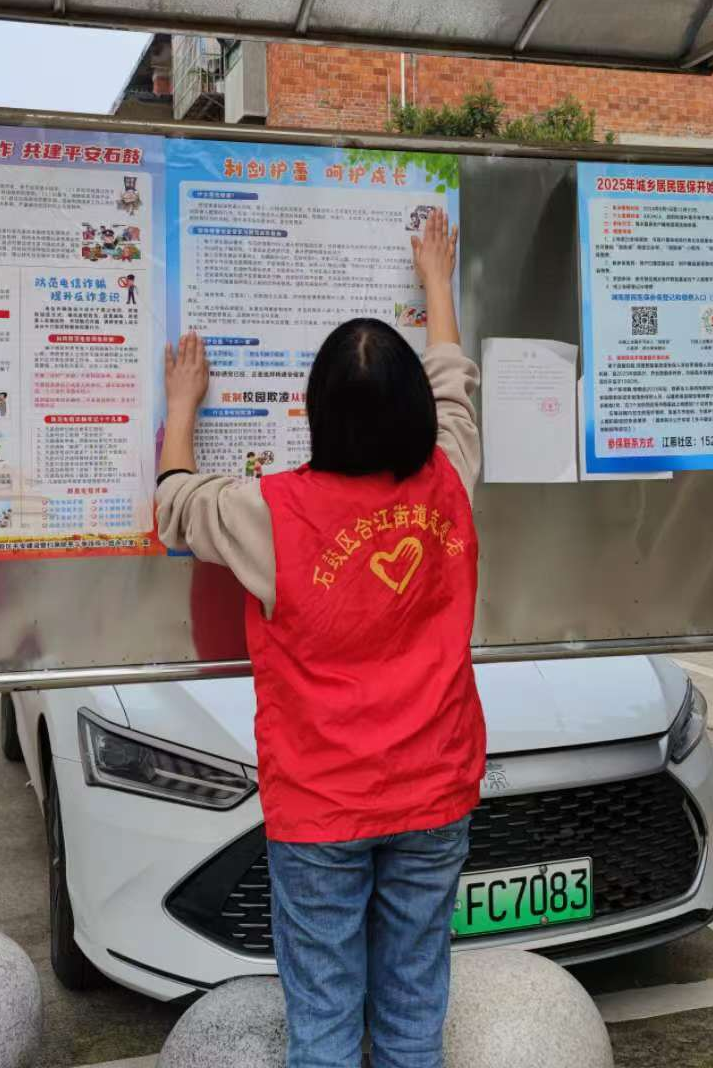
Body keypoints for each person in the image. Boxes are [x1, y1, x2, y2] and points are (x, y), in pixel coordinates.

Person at [156, 210, 481, 1068]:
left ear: (316, 414)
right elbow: (454, 386)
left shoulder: (273, 514)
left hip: (321, 809)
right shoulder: (451, 478)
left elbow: (176, 505)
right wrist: (437, 283)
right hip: (434, 793)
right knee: (413, 1017)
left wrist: (181, 407)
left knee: (326, 1027)